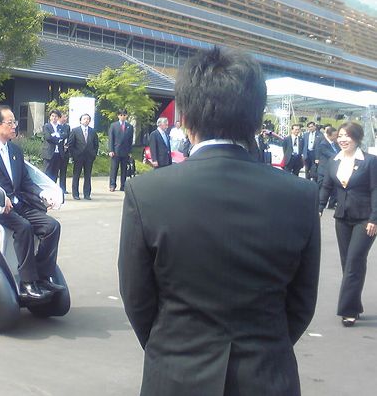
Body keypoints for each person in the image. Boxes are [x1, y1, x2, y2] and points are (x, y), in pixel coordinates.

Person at [118, 47, 320, 395]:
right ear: (257, 121)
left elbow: (137, 297)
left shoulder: (147, 192)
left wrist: (172, 348)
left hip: (176, 373)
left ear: (184, 118)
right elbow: (301, 303)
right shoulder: (300, 195)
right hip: (267, 375)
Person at [0, 105, 63, 301]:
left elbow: (26, 182)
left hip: (19, 205)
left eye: (14, 122)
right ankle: (27, 282)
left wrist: (43, 193)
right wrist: (0, 197)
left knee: (52, 226)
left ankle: (43, 276)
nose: (14, 126)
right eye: (9, 122)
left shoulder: (15, 150)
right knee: (24, 227)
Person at [319, 122, 377, 327]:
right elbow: (326, 186)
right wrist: (318, 208)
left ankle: (348, 310)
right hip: (342, 217)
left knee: (354, 261)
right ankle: (355, 303)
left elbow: (375, 190)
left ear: (357, 138)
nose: (343, 139)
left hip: (365, 219)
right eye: (341, 135)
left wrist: (374, 218)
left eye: (348, 136)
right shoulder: (333, 161)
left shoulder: (370, 161)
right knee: (349, 263)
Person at [67, 113, 99, 200]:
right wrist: (73, 155)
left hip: (89, 157)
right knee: (76, 175)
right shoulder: (75, 131)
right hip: (78, 157)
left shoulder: (92, 131)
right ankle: (75, 194)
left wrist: (93, 154)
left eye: (88, 119)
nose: (86, 120)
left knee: (87, 176)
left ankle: (87, 194)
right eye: (84, 119)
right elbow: (70, 145)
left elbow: (96, 144)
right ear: (81, 120)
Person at [108, 109, 134, 192]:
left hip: (125, 151)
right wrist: (111, 150)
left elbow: (130, 140)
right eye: (121, 115)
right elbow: (111, 139)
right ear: (118, 116)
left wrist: (130, 151)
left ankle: (123, 185)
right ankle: (112, 185)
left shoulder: (129, 126)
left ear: (126, 116)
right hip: (115, 151)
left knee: (124, 169)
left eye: (124, 115)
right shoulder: (114, 125)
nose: (123, 117)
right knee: (114, 169)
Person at [316, 126, 339, 209]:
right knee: (322, 186)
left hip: (334, 168)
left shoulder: (336, 144)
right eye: (335, 135)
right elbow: (330, 154)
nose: (337, 137)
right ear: (329, 135)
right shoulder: (323, 144)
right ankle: (318, 203)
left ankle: (332, 204)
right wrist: (341, 156)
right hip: (324, 169)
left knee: (335, 186)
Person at [42, 109, 67, 183]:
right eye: (52, 116)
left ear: (58, 118)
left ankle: (53, 190)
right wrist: (58, 138)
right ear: (50, 117)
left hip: (58, 153)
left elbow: (65, 135)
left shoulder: (61, 127)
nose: (54, 118)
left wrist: (56, 135)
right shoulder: (47, 126)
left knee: (55, 174)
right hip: (49, 153)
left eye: (56, 116)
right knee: (47, 173)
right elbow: (48, 137)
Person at [57, 113, 71, 194]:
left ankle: (63, 188)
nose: (65, 118)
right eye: (64, 116)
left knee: (63, 171)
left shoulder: (67, 127)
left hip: (65, 151)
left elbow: (69, 137)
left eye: (66, 116)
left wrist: (67, 145)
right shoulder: (56, 126)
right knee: (55, 172)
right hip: (57, 152)